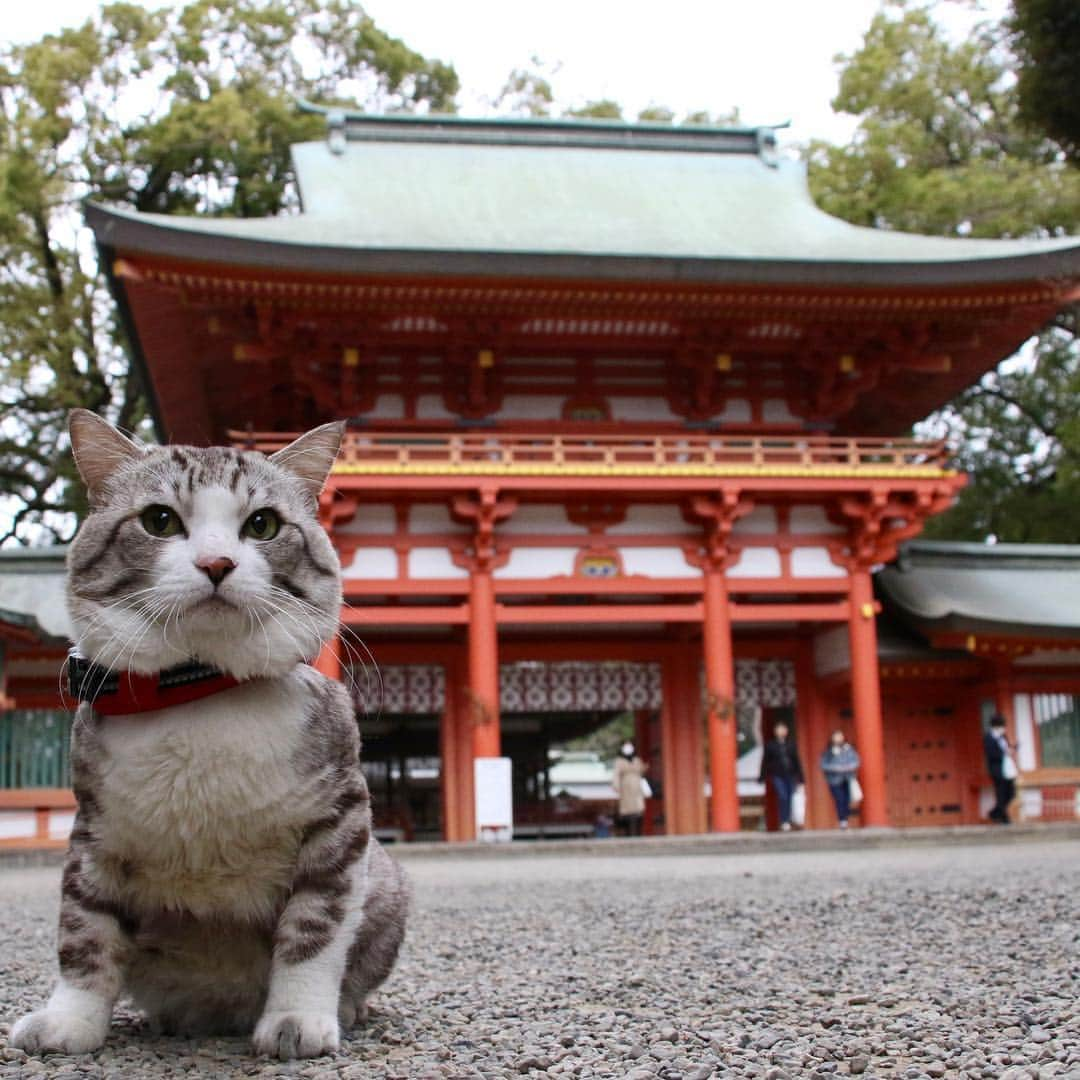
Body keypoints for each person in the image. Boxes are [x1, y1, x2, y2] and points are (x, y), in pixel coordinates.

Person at [759, 721, 805, 831]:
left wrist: (801, 777)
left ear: (786, 731)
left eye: (782, 729)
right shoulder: (770, 745)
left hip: (790, 774)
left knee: (789, 797)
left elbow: (796, 761)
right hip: (777, 774)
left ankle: (788, 820)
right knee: (783, 795)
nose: (781, 731)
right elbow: (765, 761)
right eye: (778, 729)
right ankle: (784, 820)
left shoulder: (791, 744)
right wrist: (762, 775)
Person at [820, 729, 860, 829]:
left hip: (847, 778)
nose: (838, 739)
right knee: (839, 799)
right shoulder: (829, 751)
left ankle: (845, 818)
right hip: (834, 780)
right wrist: (836, 768)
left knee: (846, 800)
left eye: (840, 736)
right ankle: (842, 820)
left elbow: (856, 761)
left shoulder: (848, 749)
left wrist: (849, 767)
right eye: (836, 737)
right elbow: (823, 765)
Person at [983, 714, 1018, 824]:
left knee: (1011, 793)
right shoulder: (988, 738)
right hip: (997, 769)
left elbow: (1006, 748)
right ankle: (1004, 818)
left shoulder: (1003, 737)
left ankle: (995, 812)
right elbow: (991, 754)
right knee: (1001, 793)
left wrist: (1012, 749)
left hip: (1007, 768)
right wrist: (1004, 753)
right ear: (996, 726)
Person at [612, 741, 648, 837]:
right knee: (628, 810)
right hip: (626, 786)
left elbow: (641, 771)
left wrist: (645, 768)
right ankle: (629, 832)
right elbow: (616, 774)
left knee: (638, 809)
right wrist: (616, 785)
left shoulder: (637, 760)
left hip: (637, 785)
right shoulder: (619, 761)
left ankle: (637, 832)